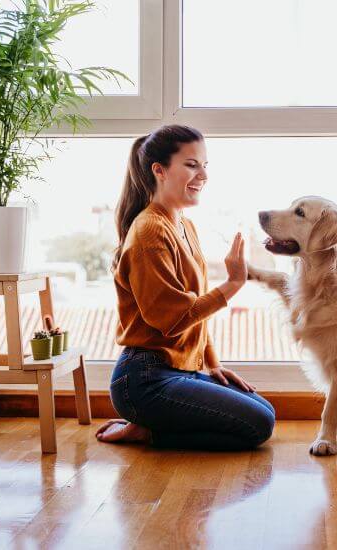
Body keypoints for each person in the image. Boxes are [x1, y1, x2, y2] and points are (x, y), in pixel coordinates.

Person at [95, 125, 275, 451]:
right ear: (159, 171)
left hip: (179, 369)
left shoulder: (183, 224)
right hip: (143, 379)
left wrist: (212, 363)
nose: (203, 175)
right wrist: (233, 284)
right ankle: (147, 431)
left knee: (265, 411)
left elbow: (194, 315)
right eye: (192, 165)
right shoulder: (149, 231)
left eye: (205, 165)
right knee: (258, 426)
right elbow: (173, 319)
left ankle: (150, 427)